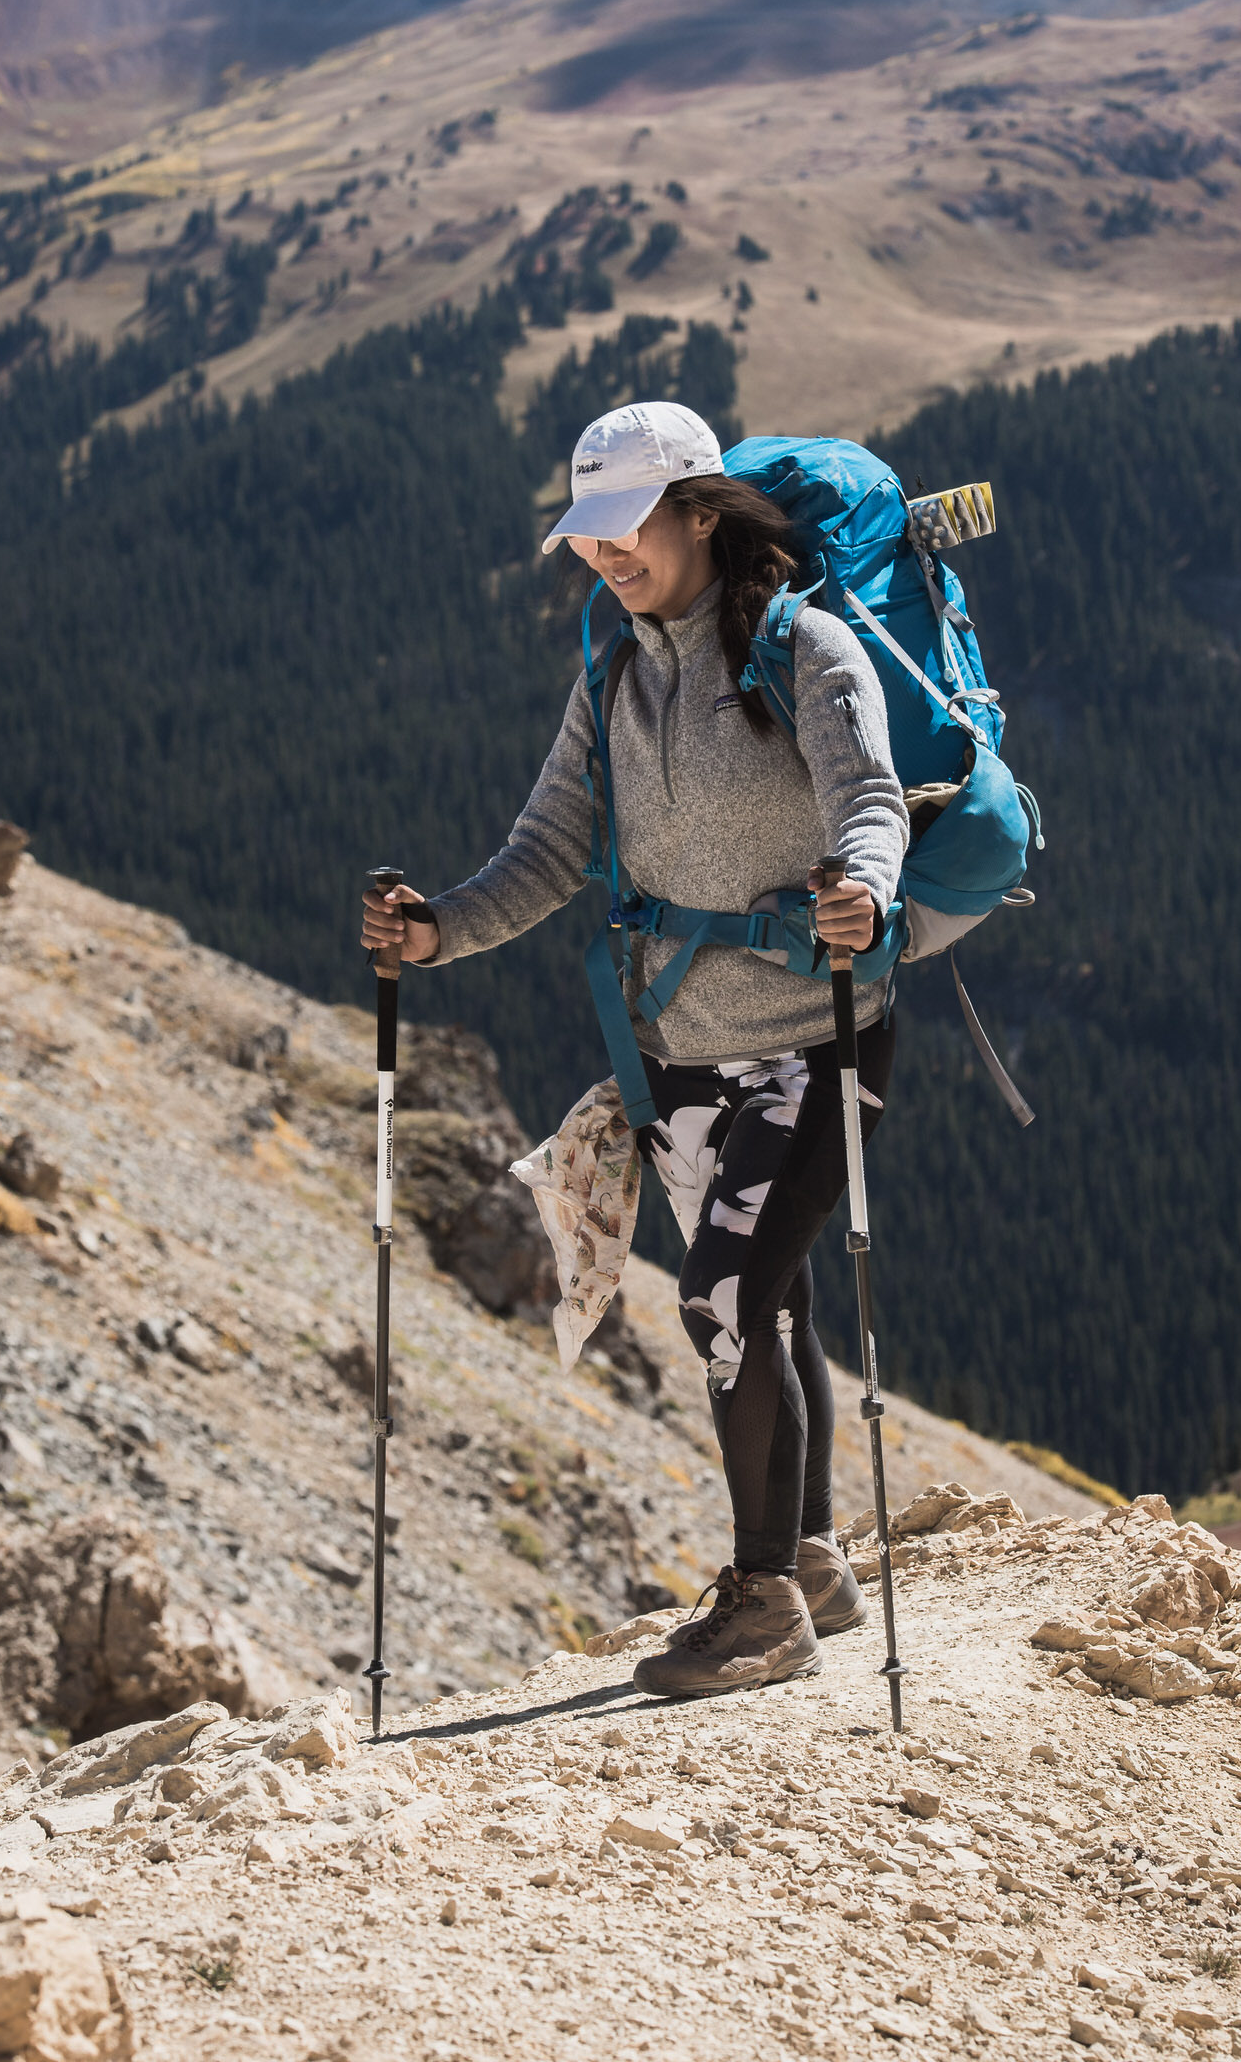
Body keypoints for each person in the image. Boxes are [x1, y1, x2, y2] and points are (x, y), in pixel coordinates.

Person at [360, 400, 908, 1698]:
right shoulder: (609, 675)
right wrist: (439, 932)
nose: (605, 557)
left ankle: (764, 1598)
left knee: (722, 1296)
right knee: (769, 1300)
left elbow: (871, 805)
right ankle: (815, 1556)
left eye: (628, 530)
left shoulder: (805, 650)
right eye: (589, 536)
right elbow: (547, 851)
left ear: (699, 515)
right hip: (677, 1060)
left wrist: (867, 894)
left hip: (816, 1048)